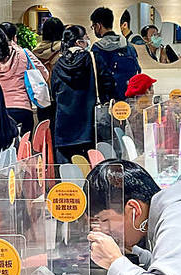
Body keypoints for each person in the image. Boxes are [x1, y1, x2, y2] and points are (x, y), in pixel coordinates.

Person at [0, 26, 47, 135]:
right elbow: (44, 74)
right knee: (23, 149)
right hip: (23, 109)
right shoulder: (24, 54)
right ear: (13, 38)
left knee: (1, 150)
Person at [50, 25, 97, 164]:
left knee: (66, 173)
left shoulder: (58, 64)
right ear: (78, 42)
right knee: (87, 169)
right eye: (86, 37)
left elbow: (53, 91)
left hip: (63, 126)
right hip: (86, 125)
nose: (88, 39)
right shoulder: (89, 59)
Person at [89, 7, 140, 103]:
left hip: (108, 102)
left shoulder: (97, 49)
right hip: (130, 100)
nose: (94, 29)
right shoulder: (129, 46)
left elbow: (95, 78)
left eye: (93, 26)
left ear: (98, 25)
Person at [33, 17, 64, 124]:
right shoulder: (63, 51)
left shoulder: (35, 51)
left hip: (41, 97)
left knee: (43, 131)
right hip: (58, 97)